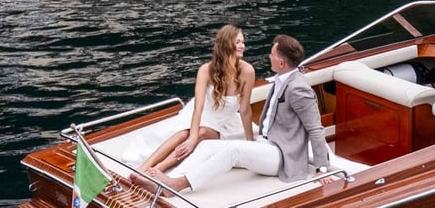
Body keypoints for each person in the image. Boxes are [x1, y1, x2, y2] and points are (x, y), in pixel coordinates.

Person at [134, 34, 329, 194]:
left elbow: (315, 128)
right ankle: (169, 181)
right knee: (207, 147)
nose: (268, 57)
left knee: (234, 150)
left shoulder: (298, 89)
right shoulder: (281, 80)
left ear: (281, 61)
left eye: (271, 54)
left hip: (282, 156)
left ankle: (177, 185)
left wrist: (322, 168)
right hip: (266, 144)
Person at [128, 25, 255, 177]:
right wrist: (192, 138)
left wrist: (250, 142)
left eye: (243, 42)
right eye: (238, 42)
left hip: (225, 123)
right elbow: (198, 107)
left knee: (201, 133)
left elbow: (245, 109)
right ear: (226, 44)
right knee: (184, 135)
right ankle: (144, 167)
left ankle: (159, 169)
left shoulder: (248, 71)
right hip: (200, 115)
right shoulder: (206, 70)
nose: (242, 46)